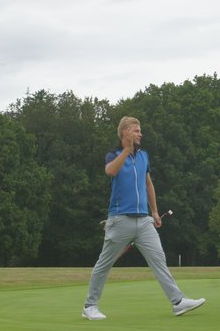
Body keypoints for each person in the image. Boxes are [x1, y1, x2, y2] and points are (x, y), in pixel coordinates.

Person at [82, 116, 205, 320]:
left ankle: (178, 302)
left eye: (140, 130)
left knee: (159, 260)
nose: (141, 134)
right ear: (125, 132)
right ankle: (90, 306)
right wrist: (126, 151)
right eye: (136, 130)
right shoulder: (113, 154)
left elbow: (148, 183)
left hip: (144, 220)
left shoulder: (144, 156)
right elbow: (111, 171)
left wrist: (154, 211)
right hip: (120, 219)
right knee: (104, 263)